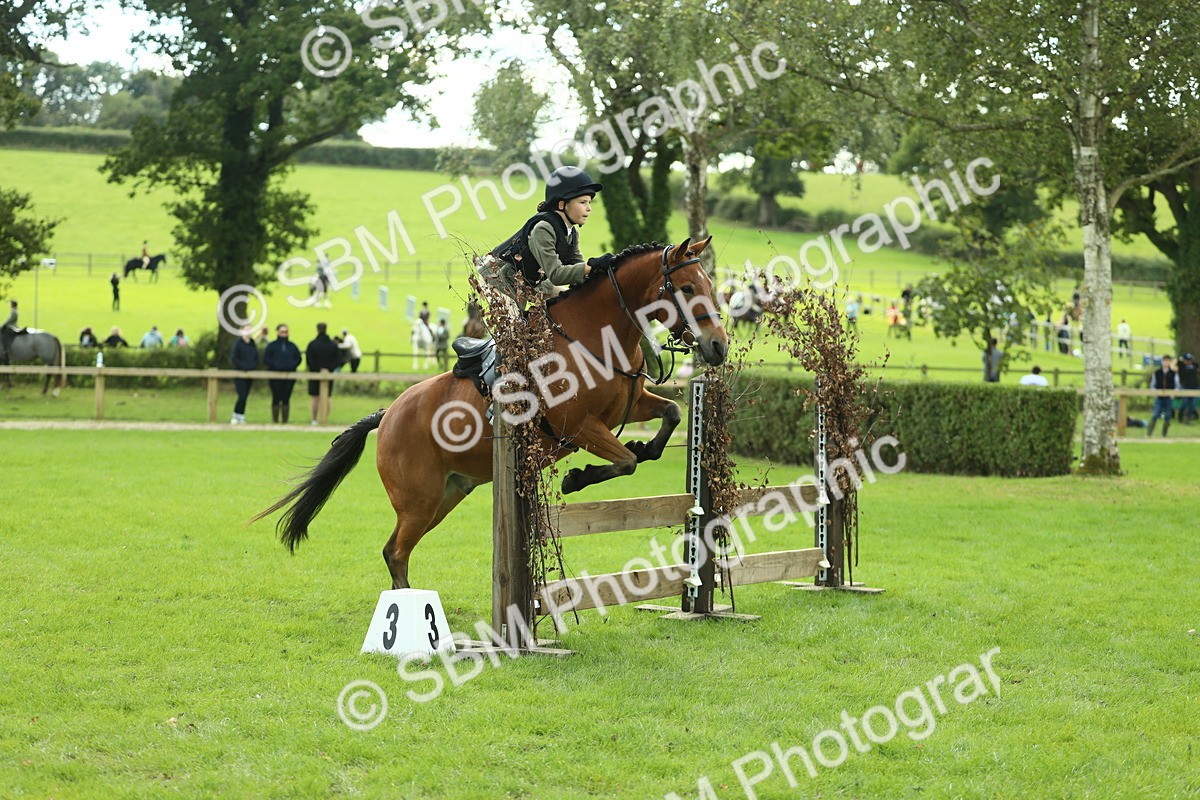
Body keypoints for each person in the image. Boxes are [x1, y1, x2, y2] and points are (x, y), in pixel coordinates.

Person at [264, 323, 302, 423]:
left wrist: (292, 365)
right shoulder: (272, 346)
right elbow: (266, 358)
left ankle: (285, 420)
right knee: (276, 397)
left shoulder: (292, 346)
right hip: (275, 376)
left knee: (286, 397)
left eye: (285, 332)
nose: (284, 334)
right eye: (282, 332)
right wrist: (275, 365)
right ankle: (275, 420)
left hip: (289, 376)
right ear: (278, 332)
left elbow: (298, 358)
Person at [305, 322, 340, 425]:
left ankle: (314, 419)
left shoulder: (312, 344)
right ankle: (325, 419)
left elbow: (309, 360)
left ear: (317, 329)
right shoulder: (333, 345)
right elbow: (338, 360)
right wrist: (329, 369)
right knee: (327, 397)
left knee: (315, 397)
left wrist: (317, 369)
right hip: (329, 373)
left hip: (315, 373)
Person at [230, 326, 259, 425]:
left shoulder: (252, 343)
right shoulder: (238, 343)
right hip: (239, 373)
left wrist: (252, 366)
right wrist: (243, 367)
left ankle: (241, 415)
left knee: (245, 395)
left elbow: (256, 357)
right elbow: (234, 358)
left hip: (250, 373)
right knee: (241, 395)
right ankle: (235, 415)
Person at [1148, 355, 1178, 437]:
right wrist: (1155, 393)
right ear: (1162, 362)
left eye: (1168, 361)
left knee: (1168, 416)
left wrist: (1174, 393)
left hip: (1169, 397)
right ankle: (1149, 433)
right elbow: (1152, 385)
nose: (1166, 363)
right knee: (1155, 414)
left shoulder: (1173, 373)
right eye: (1164, 361)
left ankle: (1164, 434)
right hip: (1159, 397)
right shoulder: (1157, 373)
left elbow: (1177, 385)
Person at [1177, 352, 1198, 424]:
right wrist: (1179, 359)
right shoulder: (1181, 366)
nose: (1189, 361)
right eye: (1187, 360)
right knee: (1185, 402)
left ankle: (1188, 418)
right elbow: (1174, 363)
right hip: (1185, 386)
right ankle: (1180, 417)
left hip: (1194, 386)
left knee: (1193, 403)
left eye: (1190, 360)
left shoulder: (1194, 365)